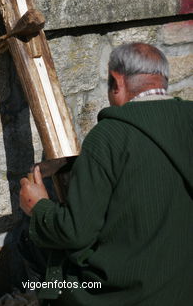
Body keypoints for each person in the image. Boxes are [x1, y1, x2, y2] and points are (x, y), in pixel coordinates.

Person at [19, 43, 193, 306]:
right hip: (183, 289)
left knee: (46, 273)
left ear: (116, 81)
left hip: (126, 294)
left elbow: (76, 233)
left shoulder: (109, 136)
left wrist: (39, 208)